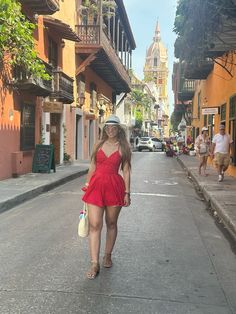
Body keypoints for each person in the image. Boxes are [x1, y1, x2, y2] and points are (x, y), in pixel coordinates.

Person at [82, 115, 131, 279]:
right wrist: (87, 185)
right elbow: (92, 166)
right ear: (105, 129)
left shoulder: (123, 147)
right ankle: (94, 263)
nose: (110, 130)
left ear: (119, 129)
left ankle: (107, 254)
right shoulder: (98, 144)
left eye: (113, 127)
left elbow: (126, 170)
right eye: (107, 127)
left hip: (114, 186)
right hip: (96, 186)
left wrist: (127, 192)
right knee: (94, 224)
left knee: (111, 223)